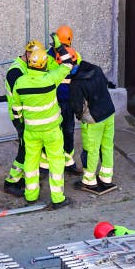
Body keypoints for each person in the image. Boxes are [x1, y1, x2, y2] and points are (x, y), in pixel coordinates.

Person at [10, 38, 74, 209]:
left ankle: (30, 196)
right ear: (44, 65)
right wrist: (59, 47)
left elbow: (16, 109)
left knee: (31, 162)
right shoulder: (51, 79)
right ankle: (58, 198)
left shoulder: (20, 83)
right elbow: (68, 63)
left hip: (31, 131)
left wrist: (20, 124)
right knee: (56, 162)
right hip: (52, 131)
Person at [3, 39, 48, 197]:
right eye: (34, 56)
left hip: (27, 115)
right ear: (28, 54)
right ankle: (11, 182)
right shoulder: (16, 72)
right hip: (20, 118)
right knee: (25, 149)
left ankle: (23, 178)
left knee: (29, 148)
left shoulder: (26, 67)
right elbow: (23, 96)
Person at [68, 56, 117, 193]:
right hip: (109, 112)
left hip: (93, 120)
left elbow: (77, 106)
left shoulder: (76, 83)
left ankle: (89, 180)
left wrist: (80, 116)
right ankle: (106, 178)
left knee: (91, 150)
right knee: (107, 146)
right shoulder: (96, 69)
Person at [45, 25, 82, 176]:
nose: (64, 48)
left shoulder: (75, 55)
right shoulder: (46, 57)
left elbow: (80, 74)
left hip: (68, 101)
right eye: (62, 45)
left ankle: (68, 162)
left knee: (68, 131)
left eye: (66, 45)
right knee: (50, 133)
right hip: (51, 101)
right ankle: (45, 164)